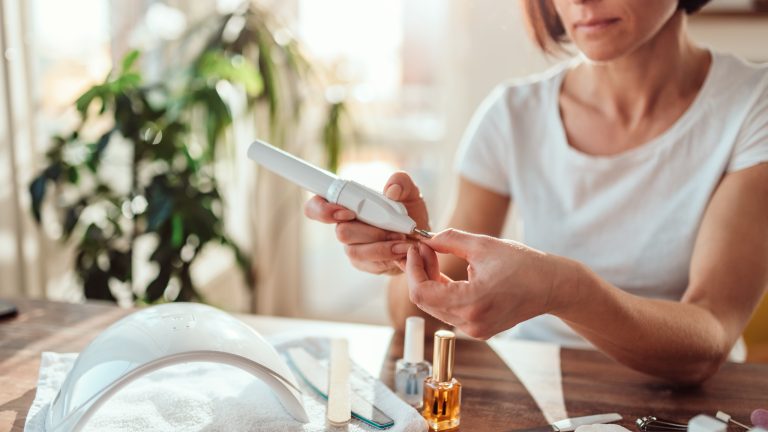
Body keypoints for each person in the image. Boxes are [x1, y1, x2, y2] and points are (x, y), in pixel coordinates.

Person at [304, 0, 768, 384]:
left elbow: (709, 336)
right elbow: (418, 322)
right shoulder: (512, 114)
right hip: (533, 384)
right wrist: (404, 257)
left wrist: (562, 289)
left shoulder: (751, 106)